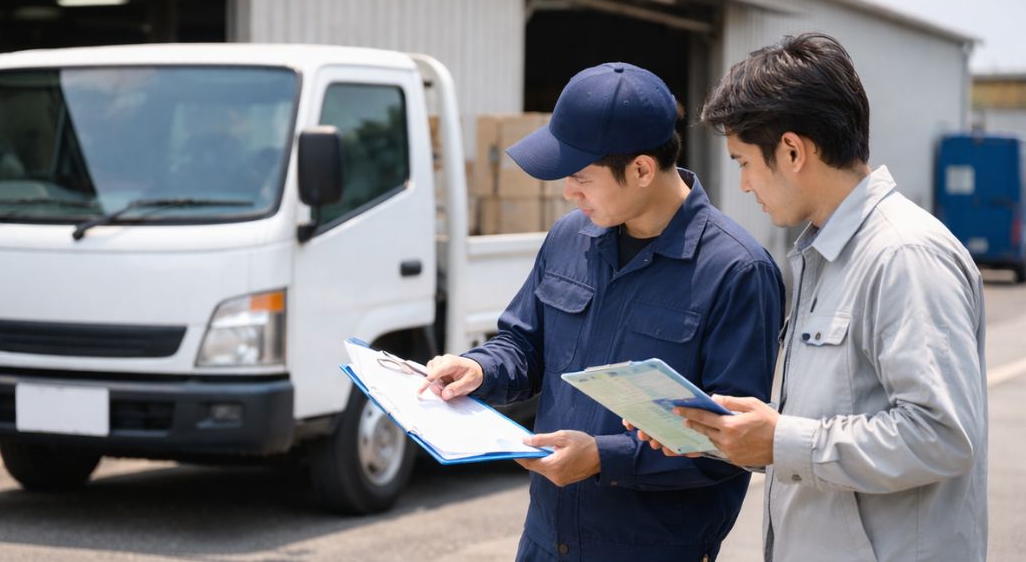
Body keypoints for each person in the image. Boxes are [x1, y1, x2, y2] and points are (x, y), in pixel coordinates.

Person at [633, 33, 988, 562]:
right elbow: (837, 417)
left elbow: (942, 435)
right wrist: (739, 435)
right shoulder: (827, 255)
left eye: (743, 162)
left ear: (793, 151)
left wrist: (782, 441)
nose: (746, 185)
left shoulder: (903, 256)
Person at [421, 62, 785, 561]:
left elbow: (734, 444)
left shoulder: (737, 272)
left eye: (580, 177)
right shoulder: (570, 238)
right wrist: (479, 368)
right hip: (546, 541)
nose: (569, 193)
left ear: (639, 169)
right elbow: (524, 346)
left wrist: (601, 458)